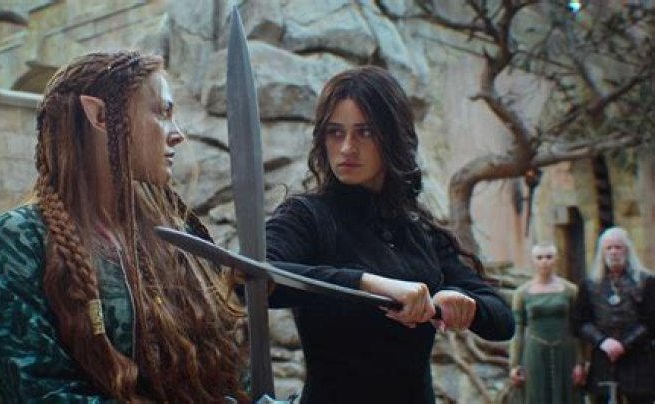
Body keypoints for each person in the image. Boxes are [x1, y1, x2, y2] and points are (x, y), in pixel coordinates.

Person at [0, 51, 248, 403]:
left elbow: (228, 369)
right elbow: (40, 392)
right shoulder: (17, 241)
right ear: (100, 115)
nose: (178, 134)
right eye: (163, 113)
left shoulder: (177, 235)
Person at [264, 66, 515, 404]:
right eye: (335, 132)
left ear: (392, 137)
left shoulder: (416, 228)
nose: (347, 147)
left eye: (365, 132)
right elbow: (252, 277)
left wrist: (459, 301)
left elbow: (502, 320)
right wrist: (371, 284)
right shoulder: (306, 216)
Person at [573, 226, 655, 404]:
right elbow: (579, 322)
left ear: (627, 250)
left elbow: (651, 321)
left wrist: (624, 344)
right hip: (603, 357)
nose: (613, 252)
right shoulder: (589, 284)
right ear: (602, 252)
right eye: (608, 248)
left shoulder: (646, 281)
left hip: (638, 358)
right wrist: (603, 341)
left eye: (618, 247)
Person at [509, 243, 584, 404]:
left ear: (556, 259)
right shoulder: (521, 293)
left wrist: (580, 362)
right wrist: (514, 364)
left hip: (565, 351)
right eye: (540, 257)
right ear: (533, 261)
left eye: (549, 257)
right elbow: (518, 330)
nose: (544, 261)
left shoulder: (571, 290)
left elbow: (577, 329)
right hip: (534, 352)